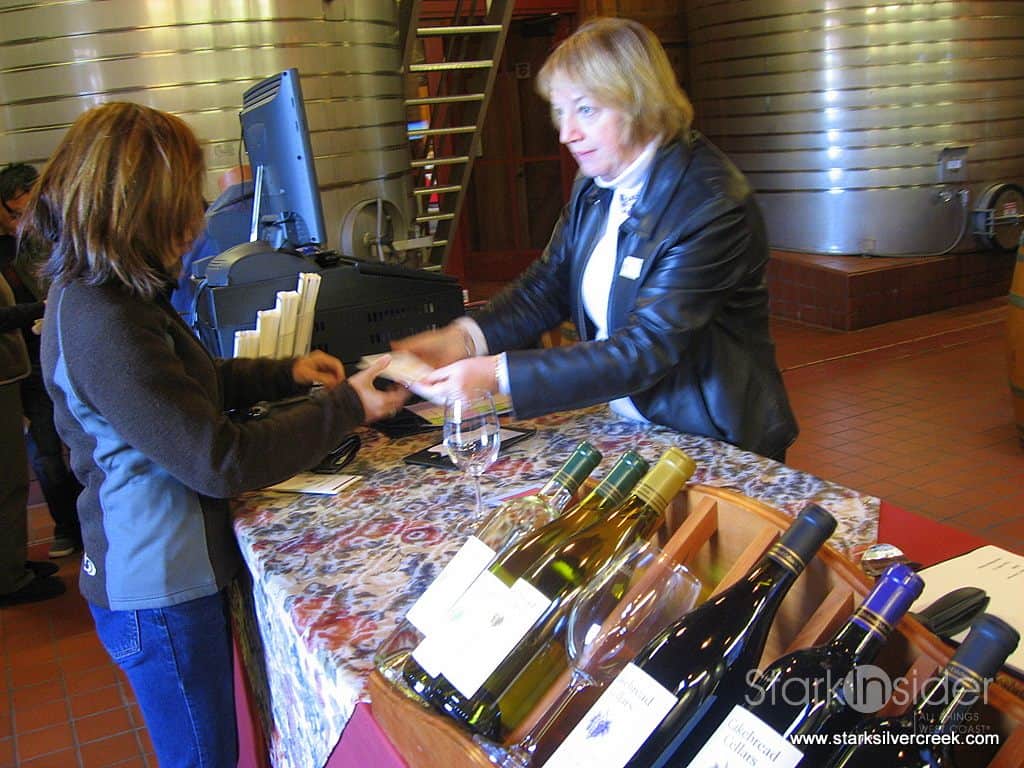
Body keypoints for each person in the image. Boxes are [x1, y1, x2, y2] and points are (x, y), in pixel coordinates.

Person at [25, 102, 407, 767]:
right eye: (185, 201)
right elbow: (218, 459)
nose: (197, 219)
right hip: (159, 587)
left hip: (164, 575)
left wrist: (282, 373)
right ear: (141, 208)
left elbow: (180, 387)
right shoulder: (103, 319)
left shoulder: (109, 293)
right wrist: (345, 406)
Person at [395, 17, 797, 461]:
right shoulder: (597, 182)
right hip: (635, 425)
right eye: (560, 111)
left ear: (639, 101)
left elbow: (643, 350)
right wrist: (466, 339)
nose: (567, 133)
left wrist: (496, 375)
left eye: (586, 110)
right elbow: (549, 283)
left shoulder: (710, 204)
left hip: (716, 438)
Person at [0, 162, 84, 558]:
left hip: (56, 348)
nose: (24, 222)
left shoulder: (50, 232)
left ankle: (84, 524)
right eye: (16, 213)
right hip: (20, 362)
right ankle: (66, 526)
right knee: (46, 454)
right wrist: (39, 310)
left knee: (80, 439)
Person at [0, 257, 65, 605]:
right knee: (7, 483)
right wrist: (41, 308)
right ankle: (10, 580)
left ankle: (13, 564)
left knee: (12, 482)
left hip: (10, 375)